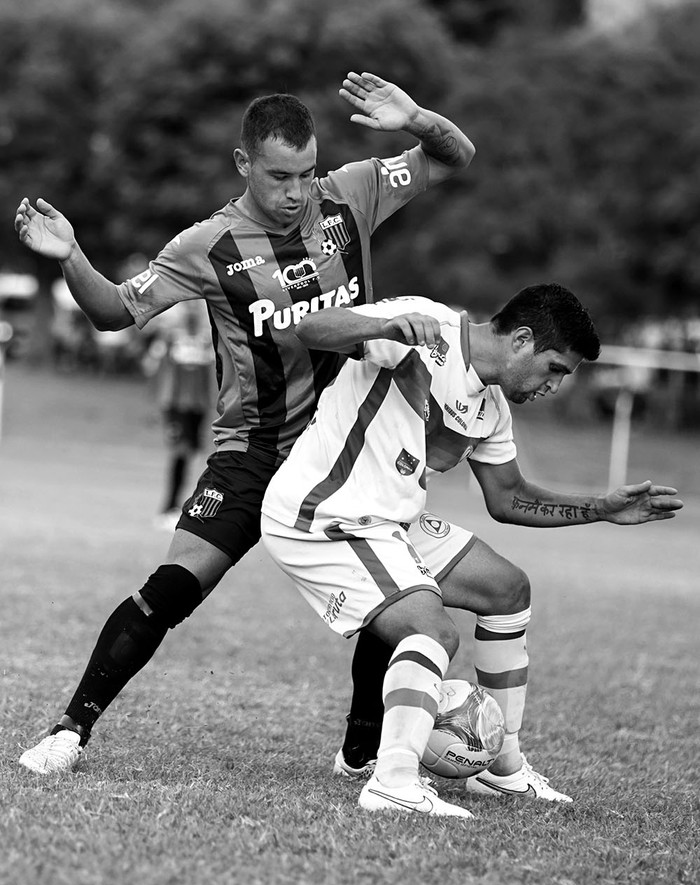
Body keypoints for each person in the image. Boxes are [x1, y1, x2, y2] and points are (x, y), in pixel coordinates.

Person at [14, 71, 475, 775]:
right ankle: (68, 731)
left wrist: (416, 118)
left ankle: (361, 748)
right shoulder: (209, 245)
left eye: (306, 174)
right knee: (173, 586)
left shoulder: (348, 195)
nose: (296, 193)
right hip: (255, 450)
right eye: (279, 176)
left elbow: (453, 156)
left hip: (350, 453)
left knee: (399, 599)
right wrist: (72, 256)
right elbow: (113, 311)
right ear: (243, 165)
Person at [260, 285, 682, 817]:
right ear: (522, 340)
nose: (553, 385)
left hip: (389, 522)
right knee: (430, 631)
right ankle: (392, 782)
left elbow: (509, 499)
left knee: (508, 590)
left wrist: (601, 507)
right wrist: (385, 327)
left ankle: (501, 772)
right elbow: (310, 329)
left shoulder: (491, 408)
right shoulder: (427, 325)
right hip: (325, 513)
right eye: (554, 368)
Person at [141, 302, 215, 530]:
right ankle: (169, 508)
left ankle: (180, 508)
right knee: (180, 452)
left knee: (192, 454)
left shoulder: (207, 339)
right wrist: (155, 403)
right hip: (175, 405)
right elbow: (149, 366)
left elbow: (215, 373)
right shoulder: (171, 337)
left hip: (198, 407)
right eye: (189, 307)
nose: (193, 311)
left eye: (197, 307)